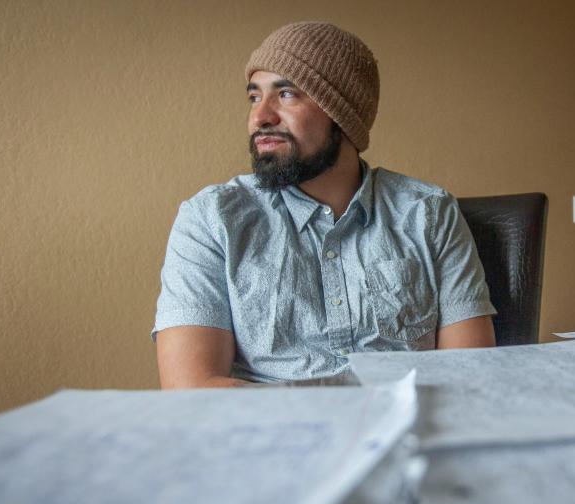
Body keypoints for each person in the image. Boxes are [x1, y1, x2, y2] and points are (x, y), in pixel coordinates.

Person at [154, 21, 496, 388]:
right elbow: (192, 388)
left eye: (286, 94)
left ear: (343, 115)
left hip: (412, 433)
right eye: (254, 96)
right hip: (269, 437)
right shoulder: (211, 219)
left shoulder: (428, 213)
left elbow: (468, 374)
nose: (260, 117)